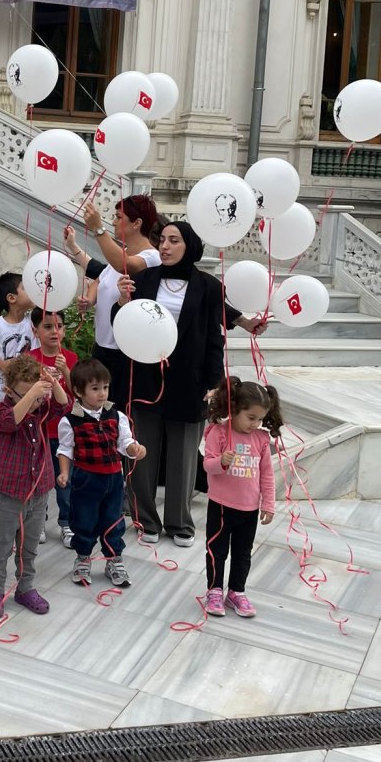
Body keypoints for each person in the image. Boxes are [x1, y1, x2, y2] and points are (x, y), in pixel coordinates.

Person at [111, 222, 226, 547]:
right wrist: (121, 302)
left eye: (173, 240)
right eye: (162, 240)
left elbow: (214, 339)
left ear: (189, 245)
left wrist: (214, 382)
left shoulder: (208, 286)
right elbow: (121, 324)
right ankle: (145, 519)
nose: (165, 246)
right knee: (141, 452)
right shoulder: (143, 280)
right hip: (145, 379)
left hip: (189, 380)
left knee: (184, 456)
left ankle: (180, 523)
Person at [0, 353, 66, 619]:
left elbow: (64, 406)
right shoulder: (2, 409)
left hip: (39, 492)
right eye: (25, 393)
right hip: (9, 494)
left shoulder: (42, 408)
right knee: (2, 546)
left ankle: (25, 586)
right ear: (9, 390)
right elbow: (9, 422)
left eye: (37, 394)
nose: (34, 400)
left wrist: (53, 384)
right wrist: (31, 396)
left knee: (28, 547)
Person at [56, 358, 145, 588]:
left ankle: (114, 559)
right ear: (78, 390)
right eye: (95, 389)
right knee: (83, 520)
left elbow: (125, 441)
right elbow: (65, 449)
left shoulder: (117, 416)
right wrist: (64, 473)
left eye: (105, 387)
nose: (102, 393)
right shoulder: (70, 421)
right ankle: (83, 557)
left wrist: (134, 449)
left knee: (114, 520)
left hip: (114, 479)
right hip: (86, 479)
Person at [64, 195, 160, 403]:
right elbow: (100, 279)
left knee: (117, 410)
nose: (114, 222)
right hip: (103, 347)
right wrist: (89, 300)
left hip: (124, 353)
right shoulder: (122, 252)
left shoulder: (151, 258)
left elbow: (124, 265)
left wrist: (99, 229)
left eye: (118, 217)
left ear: (136, 223)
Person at [202, 378, 280, 619]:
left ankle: (236, 591)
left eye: (259, 419)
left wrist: (268, 503)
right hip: (222, 506)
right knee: (217, 550)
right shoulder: (219, 433)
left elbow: (266, 473)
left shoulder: (261, 439)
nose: (255, 424)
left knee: (243, 552)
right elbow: (208, 465)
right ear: (235, 409)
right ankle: (214, 589)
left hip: (249, 509)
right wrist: (221, 462)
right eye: (250, 417)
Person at [28, 306, 76, 546]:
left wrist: (66, 370)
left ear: (64, 331)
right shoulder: (30, 359)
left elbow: (77, 393)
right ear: (35, 330)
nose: (54, 331)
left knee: (64, 479)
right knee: (40, 478)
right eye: (47, 326)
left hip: (65, 431)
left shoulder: (71, 358)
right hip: (39, 431)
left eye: (58, 326)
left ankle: (67, 523)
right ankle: (39, 520)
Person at [0, 271, 36, 402]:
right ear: (12, 298)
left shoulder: (34, 323)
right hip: (1, 393)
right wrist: (1, 364)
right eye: (25, 288)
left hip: (29, 390)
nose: (32, 291)